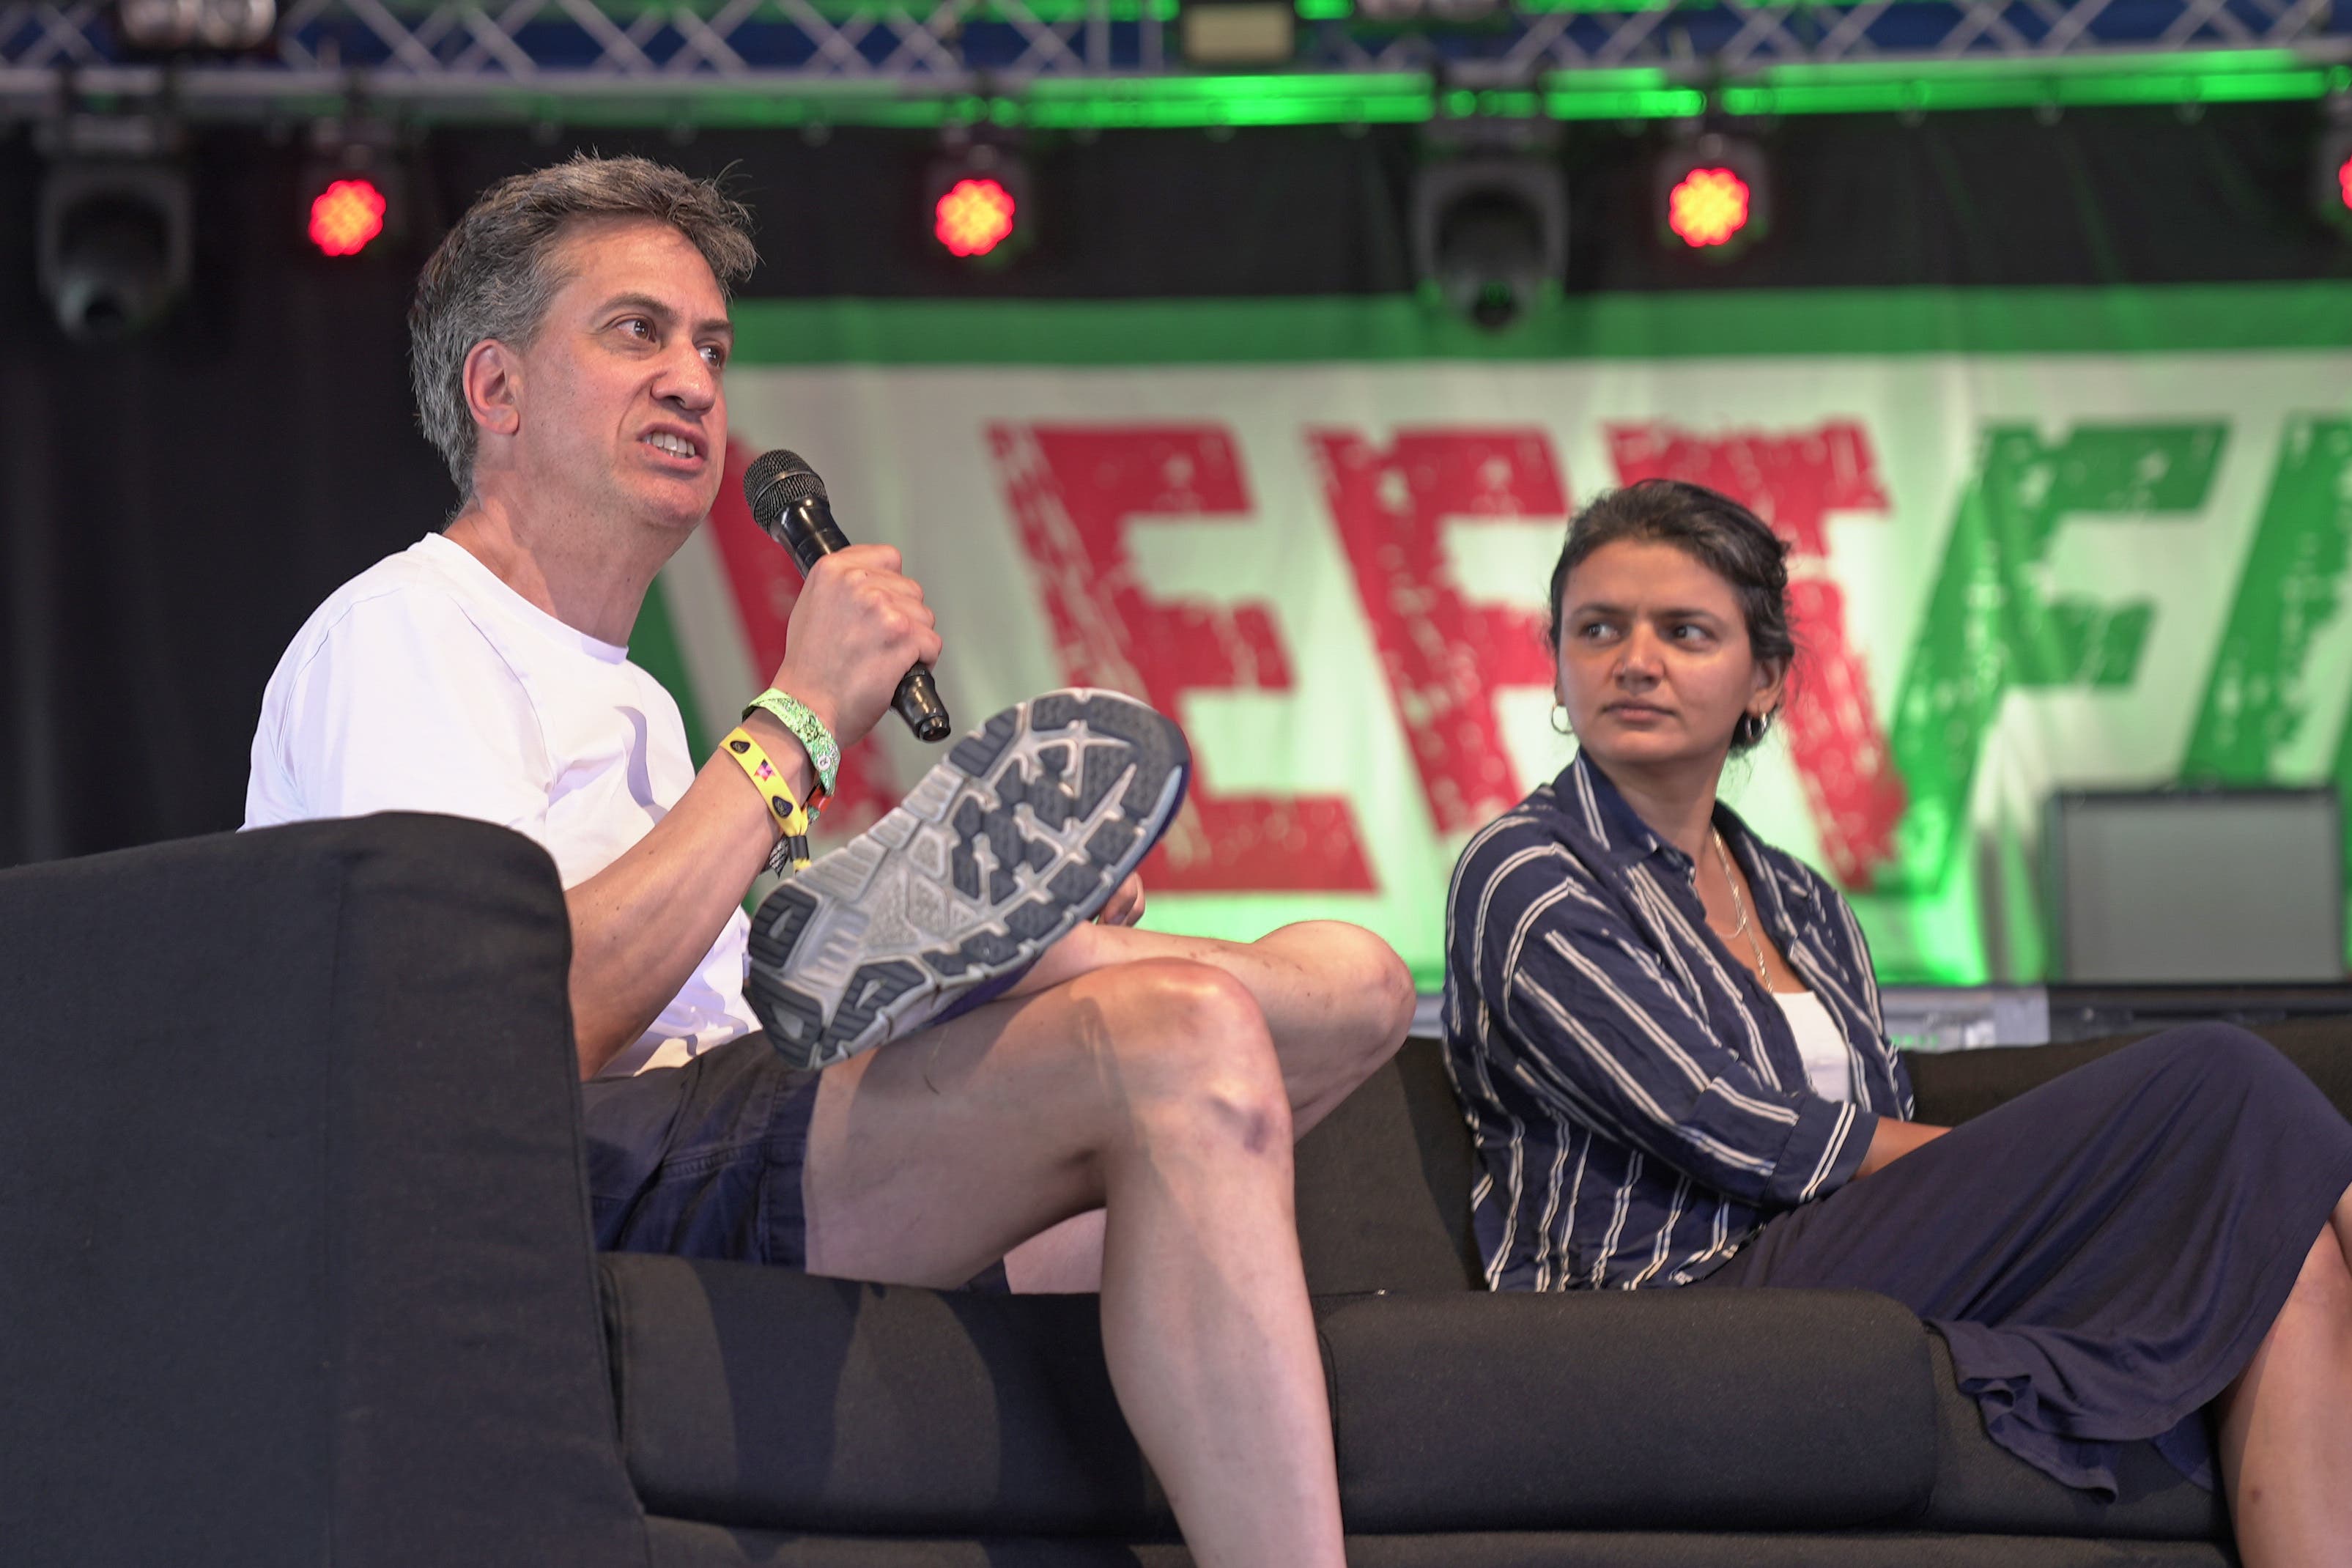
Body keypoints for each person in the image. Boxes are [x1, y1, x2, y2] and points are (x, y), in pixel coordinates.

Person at [245, 153, 1416, 1568]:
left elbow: (698, 1003)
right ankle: (905, 945)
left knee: (1342, 984)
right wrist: (795, 722)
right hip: (574, 1175)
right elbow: (497, 1037)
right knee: (1169, 1044)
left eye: (710, 349)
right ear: (495, 392)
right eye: (636, 334)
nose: (691, 380)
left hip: (737, 1120)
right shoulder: (404, 633)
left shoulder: (630, 702)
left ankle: (935, 943)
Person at [1443, 477, 2352, 1567]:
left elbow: (1879, 1109)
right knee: (2221, 1076)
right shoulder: (1526, 869)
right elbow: (1722, 1123)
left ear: (1762, 679)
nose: (1633, 660)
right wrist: (2023, 1170)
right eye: (1597, 629)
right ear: (1557, 662)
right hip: (1667, 1302)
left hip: (1835, 1267)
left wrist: (2020, 1181)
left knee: (2281, 1235)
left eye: (1683, 631)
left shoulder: (1800, 900)